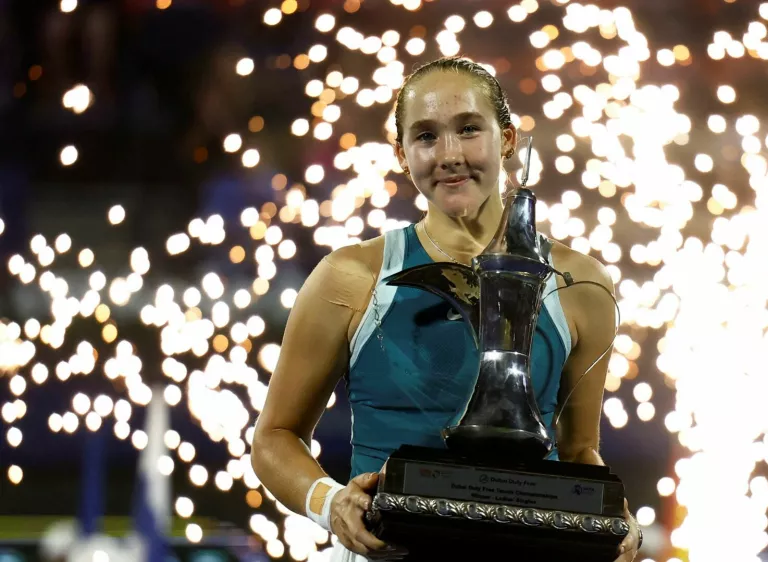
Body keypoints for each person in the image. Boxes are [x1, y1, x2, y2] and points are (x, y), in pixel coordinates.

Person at [251, 56, 638, 562]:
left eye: (469, 129)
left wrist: (612, 520)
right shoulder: (350, 277)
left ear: (507, 139)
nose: (450, 155)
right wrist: (329, 503)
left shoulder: (580, 285)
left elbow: (580, 450)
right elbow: (274, 438)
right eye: (426, 136)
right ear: (401, 153)